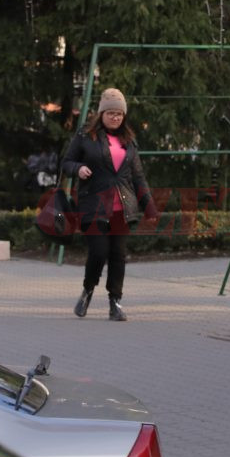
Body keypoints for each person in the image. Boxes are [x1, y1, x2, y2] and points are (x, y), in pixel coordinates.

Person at [62, 88, 157, 321]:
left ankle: (115, 303)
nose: (115, 117)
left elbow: (138, 176)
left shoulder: (129, 141)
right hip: (93, 205)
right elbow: (66, 162)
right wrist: (78, 169)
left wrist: (149, 204)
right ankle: (88, 290)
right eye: (111, 113)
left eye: (119, 114)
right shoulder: (86, 136)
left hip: (122, 208)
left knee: (118, 255)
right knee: (99, 252)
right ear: (102, 113)